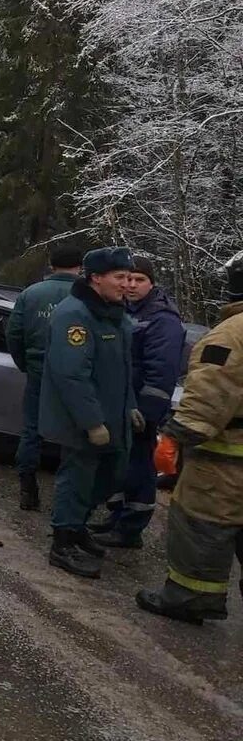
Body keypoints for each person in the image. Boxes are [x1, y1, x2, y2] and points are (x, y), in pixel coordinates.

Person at [137, 251, 243, 623]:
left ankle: (188, 598)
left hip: (224, 463)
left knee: (201, 525)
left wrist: (175, 436)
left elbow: (210, 395)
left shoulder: (232, 334)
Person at [39, 246, 138, 578]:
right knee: (78, 478)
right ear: (96, 278)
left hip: (114, 416)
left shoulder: (115, 313)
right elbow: (71, 375)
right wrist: (92, 422)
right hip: (85, 421)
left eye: (129, 277)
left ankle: (77, 526)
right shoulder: (75, 314)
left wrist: (132, 407)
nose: (127, 284)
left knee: (112, 474)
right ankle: (62, 542)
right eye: (119, 277)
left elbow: (121, 369)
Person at [91, 255, 184, 547]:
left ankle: (131, 528)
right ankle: (117, 516)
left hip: (142, 409)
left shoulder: (162, 319)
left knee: (139, 468)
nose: (131, 285)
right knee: (121, 466)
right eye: (127, 278)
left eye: (139, 279)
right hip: (122, 405)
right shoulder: (126, 311)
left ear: (151, 283)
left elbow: (161, 372)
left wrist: (147, 412)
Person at [7, 246, 84, 510]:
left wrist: (26, 363)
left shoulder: (31, 294)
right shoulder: (87, 296)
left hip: (39, 371)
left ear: (51, 265)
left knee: (31, 431)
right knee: (74, 434)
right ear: (80, 266)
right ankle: (68, 497)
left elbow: (14, 334)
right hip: (76, 375)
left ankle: (28, 489)